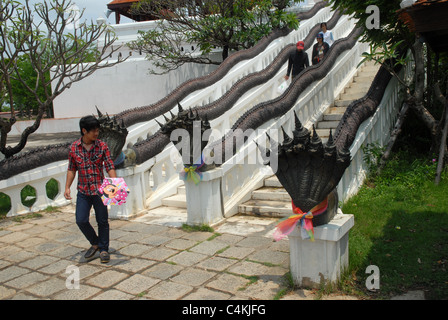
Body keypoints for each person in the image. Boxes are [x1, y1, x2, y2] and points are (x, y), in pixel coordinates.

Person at [64, 115, 117, 263]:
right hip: (83, 191)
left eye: (97, 130)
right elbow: (71, 169)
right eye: (93, 130)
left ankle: (104, 249)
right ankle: (95, 243)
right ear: (84, 131)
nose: (96, 133)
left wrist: (115, 184)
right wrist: (67, 187)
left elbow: (109, 165)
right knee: (81, 220)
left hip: (100, 190)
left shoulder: (102, 146)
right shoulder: (74, 148)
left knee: (103, 221)